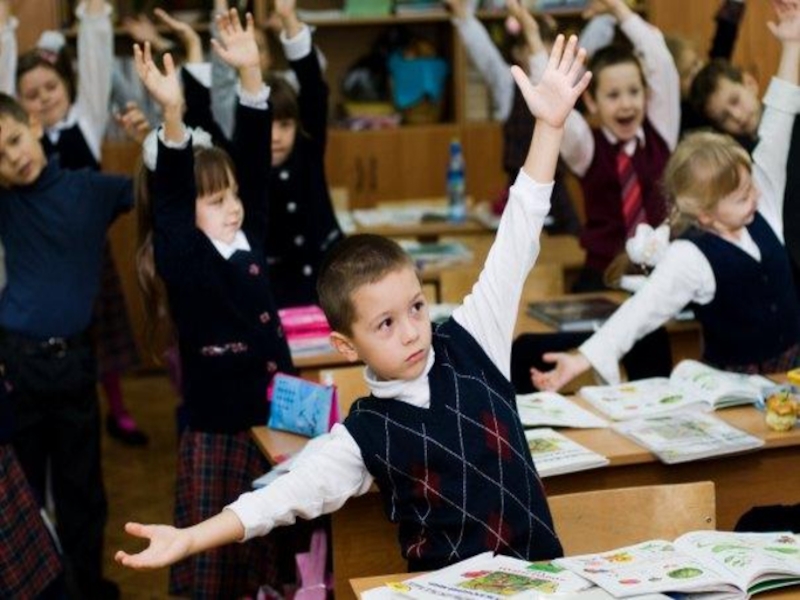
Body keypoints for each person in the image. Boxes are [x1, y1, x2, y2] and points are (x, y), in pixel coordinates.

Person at [115, 33, 592, 573]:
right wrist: (190, 538)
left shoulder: (473, 340)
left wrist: (549, 127)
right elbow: (280, 498)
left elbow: (520, 229)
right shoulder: (363, 434)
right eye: (385, 324)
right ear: (345, 345)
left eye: (416, 308)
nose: (411, 331)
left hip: (544, 582)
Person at [530, 6, 800, 392]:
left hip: (790, 383)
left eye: (751, 188)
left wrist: (792, 45)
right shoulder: (690, 256)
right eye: (742, 197)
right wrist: (582, 358)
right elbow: (641, 312)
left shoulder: (764, 203)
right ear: (704, 214)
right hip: (733, 393)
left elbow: (778, 121)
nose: (756, 196)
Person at [130, 8, 295, 595]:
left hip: (272, 429)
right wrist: (173, 115)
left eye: (233, 196)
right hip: (220, 437)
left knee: (266, 566)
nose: (234, 207)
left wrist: (251, 77)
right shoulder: (185, 260)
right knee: (215, 573)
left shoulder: (248, 236)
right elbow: (174, 197)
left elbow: (254, 165)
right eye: (216, 201)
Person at [0, 91, 132, 598]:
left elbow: (162, 188)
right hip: (17, 366)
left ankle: (88, 586)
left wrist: (158, 132)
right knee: (24, 491)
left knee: (82, 489)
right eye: (0, 157)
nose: (14, 158)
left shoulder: (90, 190)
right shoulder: (6, 202)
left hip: (74, 363)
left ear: (34, 124)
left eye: (15, 140)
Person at [14, 0, 147, 445]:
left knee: (102, 339)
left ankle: (118, 410)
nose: (44, 98)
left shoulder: (85, 121)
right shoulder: (18, 145)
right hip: (39, 263)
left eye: (51, 87)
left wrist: (94, 17)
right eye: (31, 94)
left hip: (89, 255)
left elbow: (95, 63)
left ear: (67, 85)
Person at [179, 0, 343, 308]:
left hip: (333, 282)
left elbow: (313, 88)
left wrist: (288, 17)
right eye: (269, 126)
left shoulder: (308, 147)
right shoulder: (241, 161)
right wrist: (193, 49)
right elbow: (200, 119)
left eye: (285, 125)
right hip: (274, 293)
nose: (276, 136)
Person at [551, 0, 680, 291]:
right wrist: (536, 47)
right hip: (603, 275)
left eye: (634, 92)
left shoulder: (661, 133)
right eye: (613, 95)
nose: (626, 104)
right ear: (592, 101)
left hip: (660, 272)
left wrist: (620, 11)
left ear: (647, 94)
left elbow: (661, 64)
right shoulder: (586, 148)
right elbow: (557, 108)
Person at [443, 0, 581, 235]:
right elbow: (486, 57)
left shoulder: (565, 88)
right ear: (518, 53)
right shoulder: (509, 86)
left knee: (568, 245)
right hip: (520, 191)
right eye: (535, 50)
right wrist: (464, 18)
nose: (544, 60)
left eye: (550, 53)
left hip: (556, 195)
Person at [665, 0, 747, 133]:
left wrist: (735, 4)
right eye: (689, 73)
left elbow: (722, 44)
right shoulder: (683, 117)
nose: (700, 70)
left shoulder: (709, 81)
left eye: (697, 62)